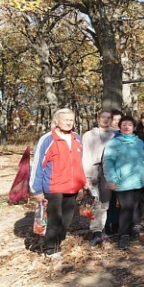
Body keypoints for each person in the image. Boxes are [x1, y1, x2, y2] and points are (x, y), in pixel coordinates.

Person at [29, 108, 87, 258]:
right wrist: (36, 189)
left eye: (71, 120)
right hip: (53, 185)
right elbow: (37, 165)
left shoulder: (77, 138)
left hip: (72, 186)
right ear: (57, 121)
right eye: (65, 119)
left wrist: (83, 181)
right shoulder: (47, 139)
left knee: (67, 218)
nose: (69, 122)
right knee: (54, 218)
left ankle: (58, 240)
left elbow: (80, 162)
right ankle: (51, 249)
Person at [102, 116, 144, 250]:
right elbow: (108, 162)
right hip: (122, 182)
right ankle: (123, 236)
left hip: (139, 181)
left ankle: (133, 230)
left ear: (134, 127)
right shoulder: (114, 143)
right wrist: (112, 179)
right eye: (124, 125)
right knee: (126, 209)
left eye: (129, 125)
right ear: (119, 127)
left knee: (136, 206)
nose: (127, 127)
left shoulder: (139, 142)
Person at [82, 109, 115, 248]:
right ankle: (96, 231)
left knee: (105, 203)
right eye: (103, 117)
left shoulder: (115, 134)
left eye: (108, 118)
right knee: (95, 202)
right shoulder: (89, 135)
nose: (105, 120)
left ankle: (102, 229)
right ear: (98, 118)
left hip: (108, 172)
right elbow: (85, 156)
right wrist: (87, 176)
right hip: (93, 170)